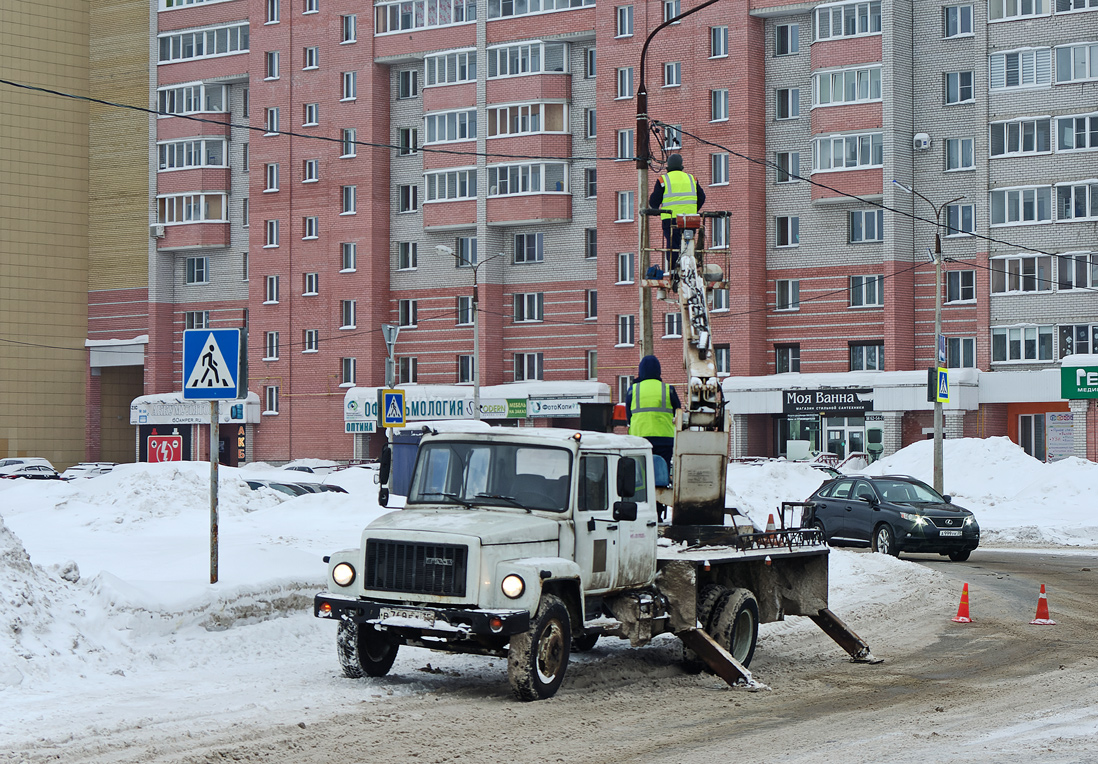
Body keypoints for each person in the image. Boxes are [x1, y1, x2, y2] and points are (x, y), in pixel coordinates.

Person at [647, 153, 705, 274]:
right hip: (690, 219)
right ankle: (690, 266)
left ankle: (674, 270)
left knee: (673, 245)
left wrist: (655, 209)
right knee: (688, 242)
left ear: (668, 167)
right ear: (681, 166)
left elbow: (654, 202)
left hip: (671, 219)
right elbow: (702, 197)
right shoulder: (691, 179)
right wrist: (693, 210)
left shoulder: (663, 180)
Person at [626, 355, 681, 474]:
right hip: (665, 439)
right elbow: (678, 413)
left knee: (642, 475)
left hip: (639, 439)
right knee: (662, 472)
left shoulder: (633, 390)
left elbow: (629, 416)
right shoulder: (668, 389)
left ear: (641, 371)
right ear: (658, 371)